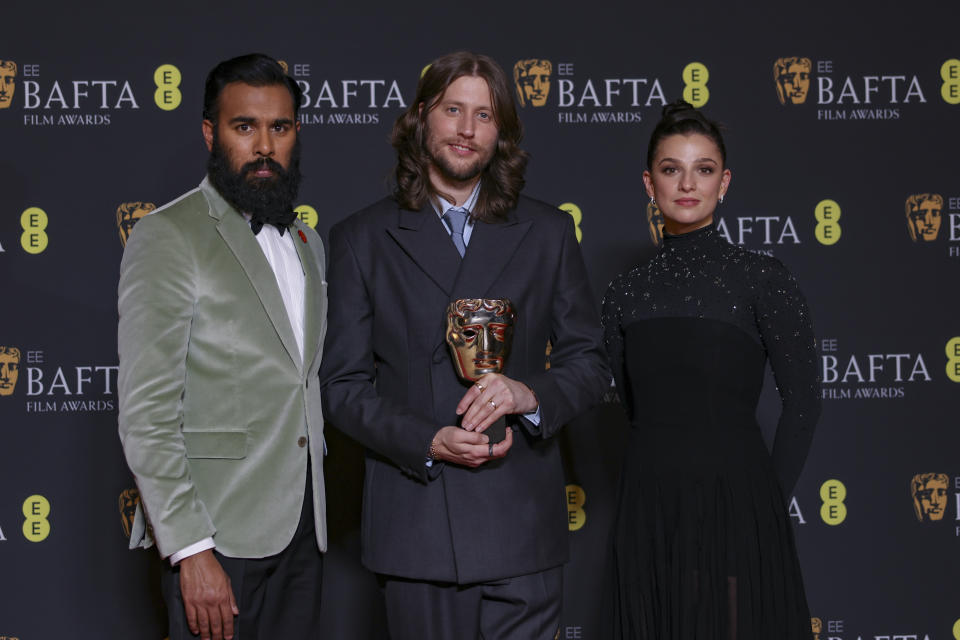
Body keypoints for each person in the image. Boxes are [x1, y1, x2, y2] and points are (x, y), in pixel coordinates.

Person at [319, 50, 609, 640]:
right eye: (454, 110)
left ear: (501, 132)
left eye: (484, 115)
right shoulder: (361, 239)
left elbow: (589, 363)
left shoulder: (549, 232)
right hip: (417, 527)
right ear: (423, 116)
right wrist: (425, 439)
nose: (467, 129)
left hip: (522, 525)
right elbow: (342, 387)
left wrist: (528, 393)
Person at [118, 53, 327, 640]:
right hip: (218, 537)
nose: (265, 145)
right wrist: (190, 550)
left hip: (304, 533)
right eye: (245, 127)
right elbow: (146, 413)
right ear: (211, 133)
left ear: (296, 134)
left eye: (279, 128)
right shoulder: (167, 236)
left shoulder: (307, 242)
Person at [602, 100, 820, 639]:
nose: (687, 184)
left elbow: (804, 402)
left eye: (703, 170)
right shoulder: (624, 293)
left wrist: (766, 503)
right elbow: (632, 406)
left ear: (724, 183)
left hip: (737, 502)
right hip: (649, 503)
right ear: (649, 184)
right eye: (671, 169)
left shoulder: (762, 278)